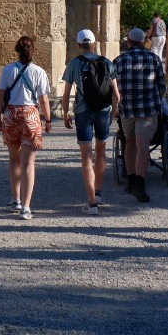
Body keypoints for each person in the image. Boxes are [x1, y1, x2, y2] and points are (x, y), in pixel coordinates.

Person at [60, 29, 120, 215]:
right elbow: (117, 95)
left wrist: (65, 113)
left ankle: (92, 202)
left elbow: (66, 94)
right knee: (101, 152)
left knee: (87, 155)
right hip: (103, 112)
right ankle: (99, 192)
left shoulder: (74, 64)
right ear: (94, 43)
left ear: (79, 45)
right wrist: (114, 113)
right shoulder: (107, 63)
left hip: (83, 112)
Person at [0, 35, 51, 220]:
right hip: (30, 114)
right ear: (33, 51)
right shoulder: (39, 72)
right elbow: (43, 99)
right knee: (28, 163)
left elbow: (0, 96)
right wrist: (48, 119)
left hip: (11, 114)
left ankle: (15, 198)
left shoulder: (8, 70)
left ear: (17, 52)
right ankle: (26, 207)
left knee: (13, 159)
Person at [113, 25, 166, 203]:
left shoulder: (119, 61)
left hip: (127, 109)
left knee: (130, 143)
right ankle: (140, 184)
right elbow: (161, 86)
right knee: (143, 146)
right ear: (144, 42)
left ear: (128, 41)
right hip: (147, 109)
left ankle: (132, 178)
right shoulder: (153, 59)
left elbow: (114, 87)